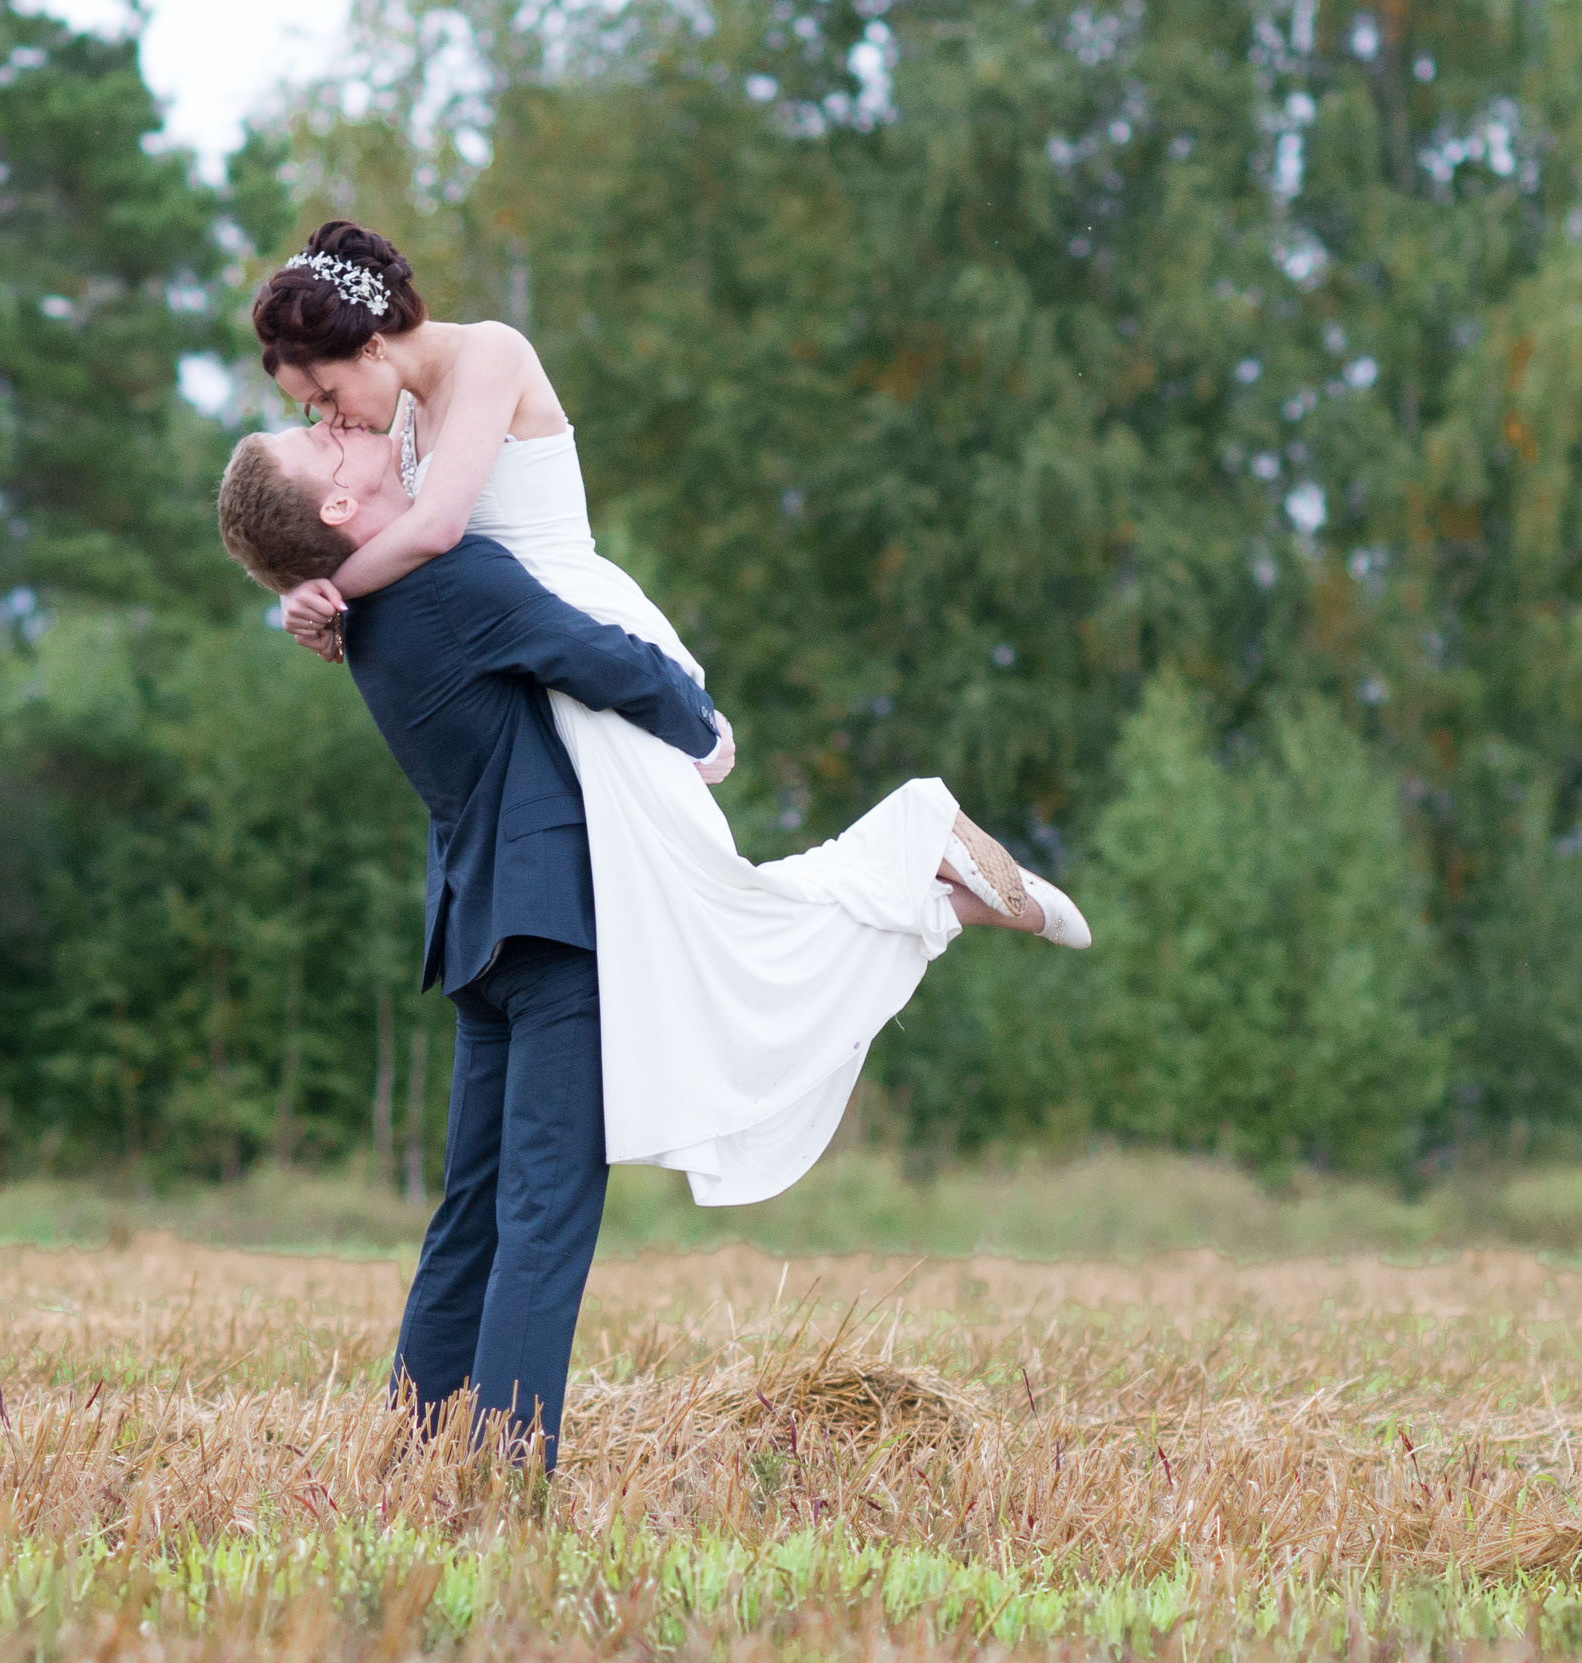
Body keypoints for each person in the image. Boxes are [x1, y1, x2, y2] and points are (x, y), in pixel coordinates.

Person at [247, 221, 1092, 1210]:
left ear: (373, 347)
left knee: (708, 910)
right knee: (691, 924)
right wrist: (301, 594)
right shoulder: (393, 419)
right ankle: (940, 893)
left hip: (585, 645)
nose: (336, 422)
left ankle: (918, 842)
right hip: (530, 666)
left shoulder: (490, 355)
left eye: (326, 397)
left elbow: (433, 531)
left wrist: (326, 590)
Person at [218, 419, 729, 1469]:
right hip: (555, 925)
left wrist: (305, 595)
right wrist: (703, 724)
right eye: (319, 441)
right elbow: (594, 658)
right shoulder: (449, 584)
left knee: (475, 1210)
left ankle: (416, 1446)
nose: (340, 429)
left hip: (482, 927)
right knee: (542, 1209)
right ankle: (502, 1470)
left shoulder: (364, 612)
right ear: (339, 510)